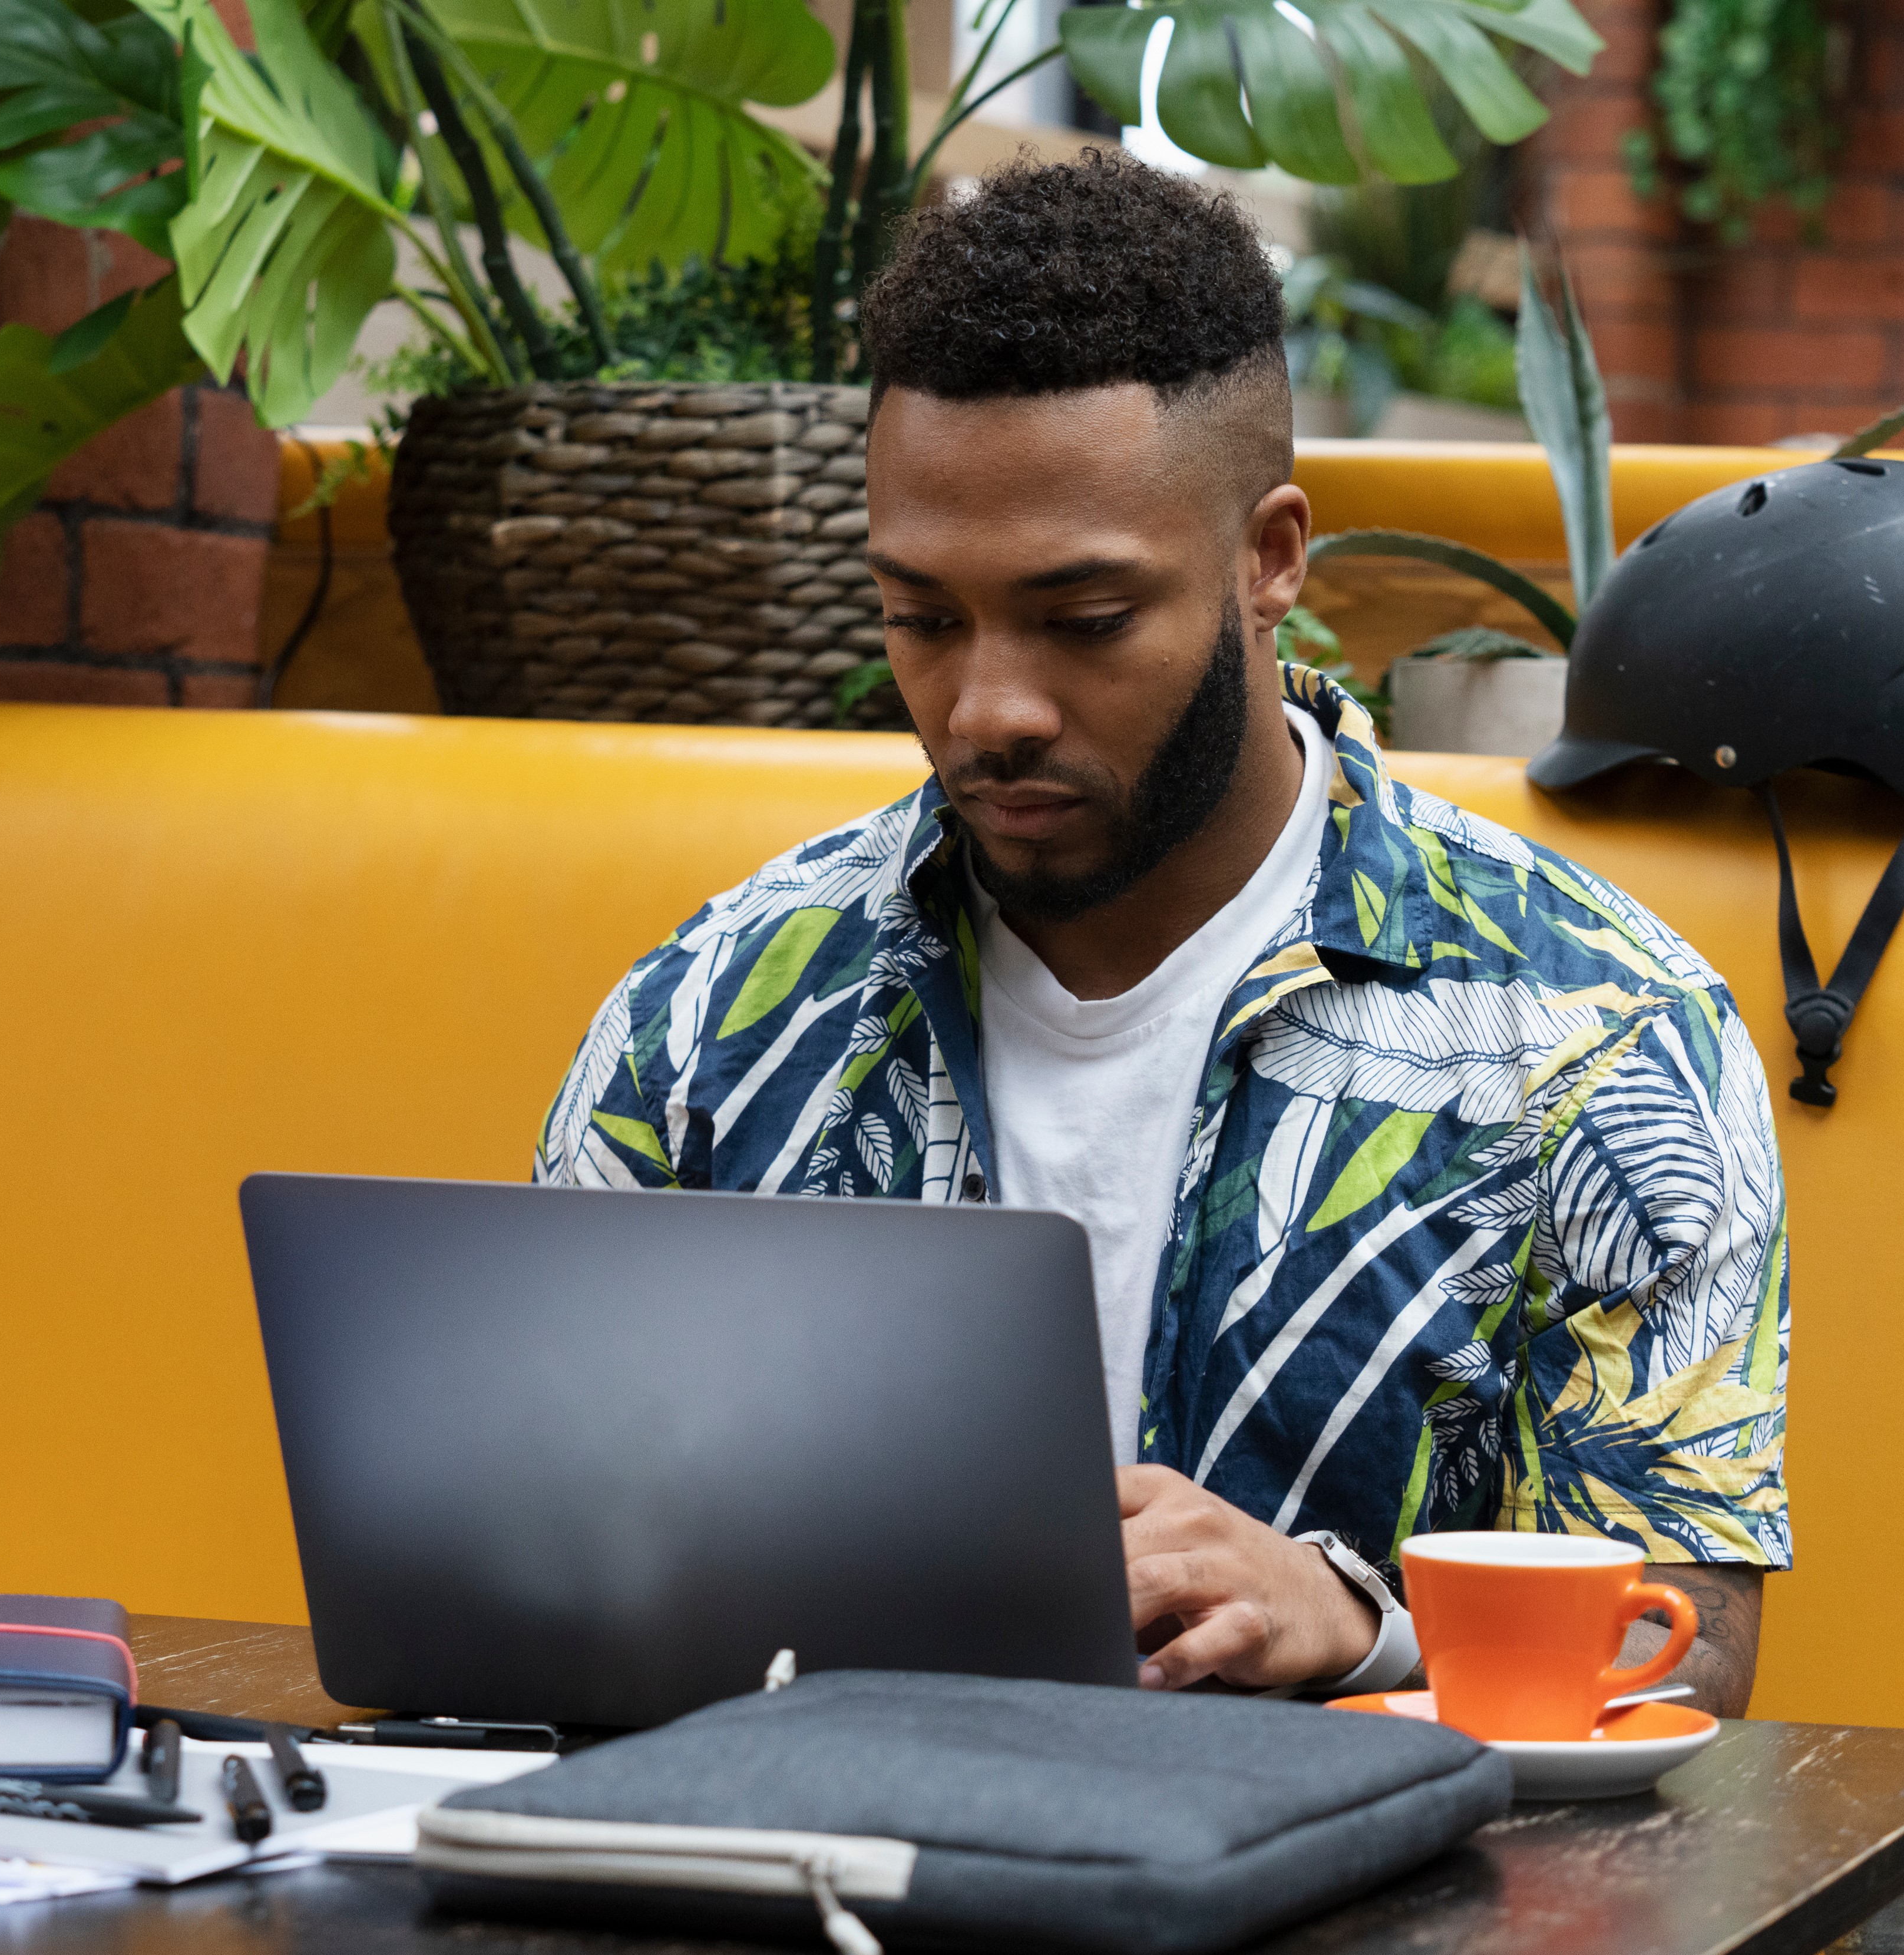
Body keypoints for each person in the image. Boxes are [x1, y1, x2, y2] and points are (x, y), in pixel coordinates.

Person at [537, 151, 1786, 1713]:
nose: (984, 708)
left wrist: (1354, 1624)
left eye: (1083, 621)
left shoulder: (1595, 1031)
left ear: (1268, 561)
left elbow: (1690, 1662)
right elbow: (552, 1558)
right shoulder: (714, 1017)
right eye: (921, 617)